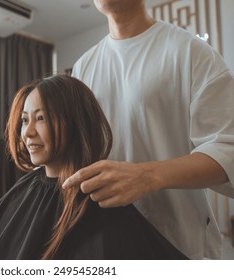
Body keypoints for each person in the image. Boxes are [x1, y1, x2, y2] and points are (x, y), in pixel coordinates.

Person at [0, 75, 187, 260]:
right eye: (25, 120)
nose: (27, 132)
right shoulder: (28, 185)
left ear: (75, 123)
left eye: (41, 118)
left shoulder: (98, 200)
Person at [63, 0, 234, 259]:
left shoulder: (191, 52)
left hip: (178, 241)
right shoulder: (83, 68)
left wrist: (146, 176)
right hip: (108, 239)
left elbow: (228, 149)